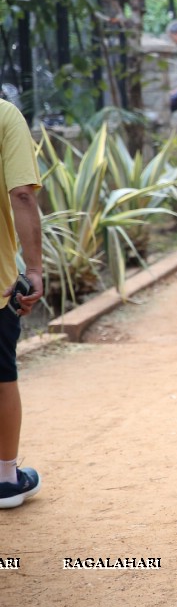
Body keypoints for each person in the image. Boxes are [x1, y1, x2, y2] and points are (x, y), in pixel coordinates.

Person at [0, 99, 43, 509]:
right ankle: (7, 477)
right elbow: (22, 196)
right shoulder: (4, 115)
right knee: (1, 377)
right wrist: (34, 268)